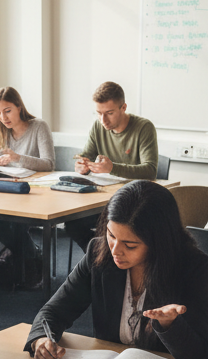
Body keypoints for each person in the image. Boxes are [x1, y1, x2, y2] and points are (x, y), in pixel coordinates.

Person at [25, 181, 208, 359]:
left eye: (130, 245)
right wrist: (41, 341)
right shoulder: (98, 253)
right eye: (111, 235)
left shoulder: (192, 266)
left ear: (159, 242)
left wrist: (170, 325)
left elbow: (197, 354)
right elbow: (54, 312)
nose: (115, 250)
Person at [0, 86, 54, 288]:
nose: (3, 117)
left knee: (10, 225)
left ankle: (28, 262)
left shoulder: (38, 126)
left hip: (34, 193)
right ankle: (33, 256)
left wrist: (18, 158)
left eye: (8, 110)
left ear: (19, 106)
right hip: (7, 190)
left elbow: (48, 163)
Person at [66, 81, 160, 249]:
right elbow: (86, 155)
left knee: (110, 226)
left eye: (109, 113)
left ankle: (104, 261)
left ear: (123, 108)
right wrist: (82, 165)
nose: (103, 120)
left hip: (134, 203)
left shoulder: (144, 127)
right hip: (104, 199)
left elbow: (150, 171)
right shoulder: (98, 126)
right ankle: (100, 261)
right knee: (72, 223)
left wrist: (113, 168)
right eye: (98, 113)